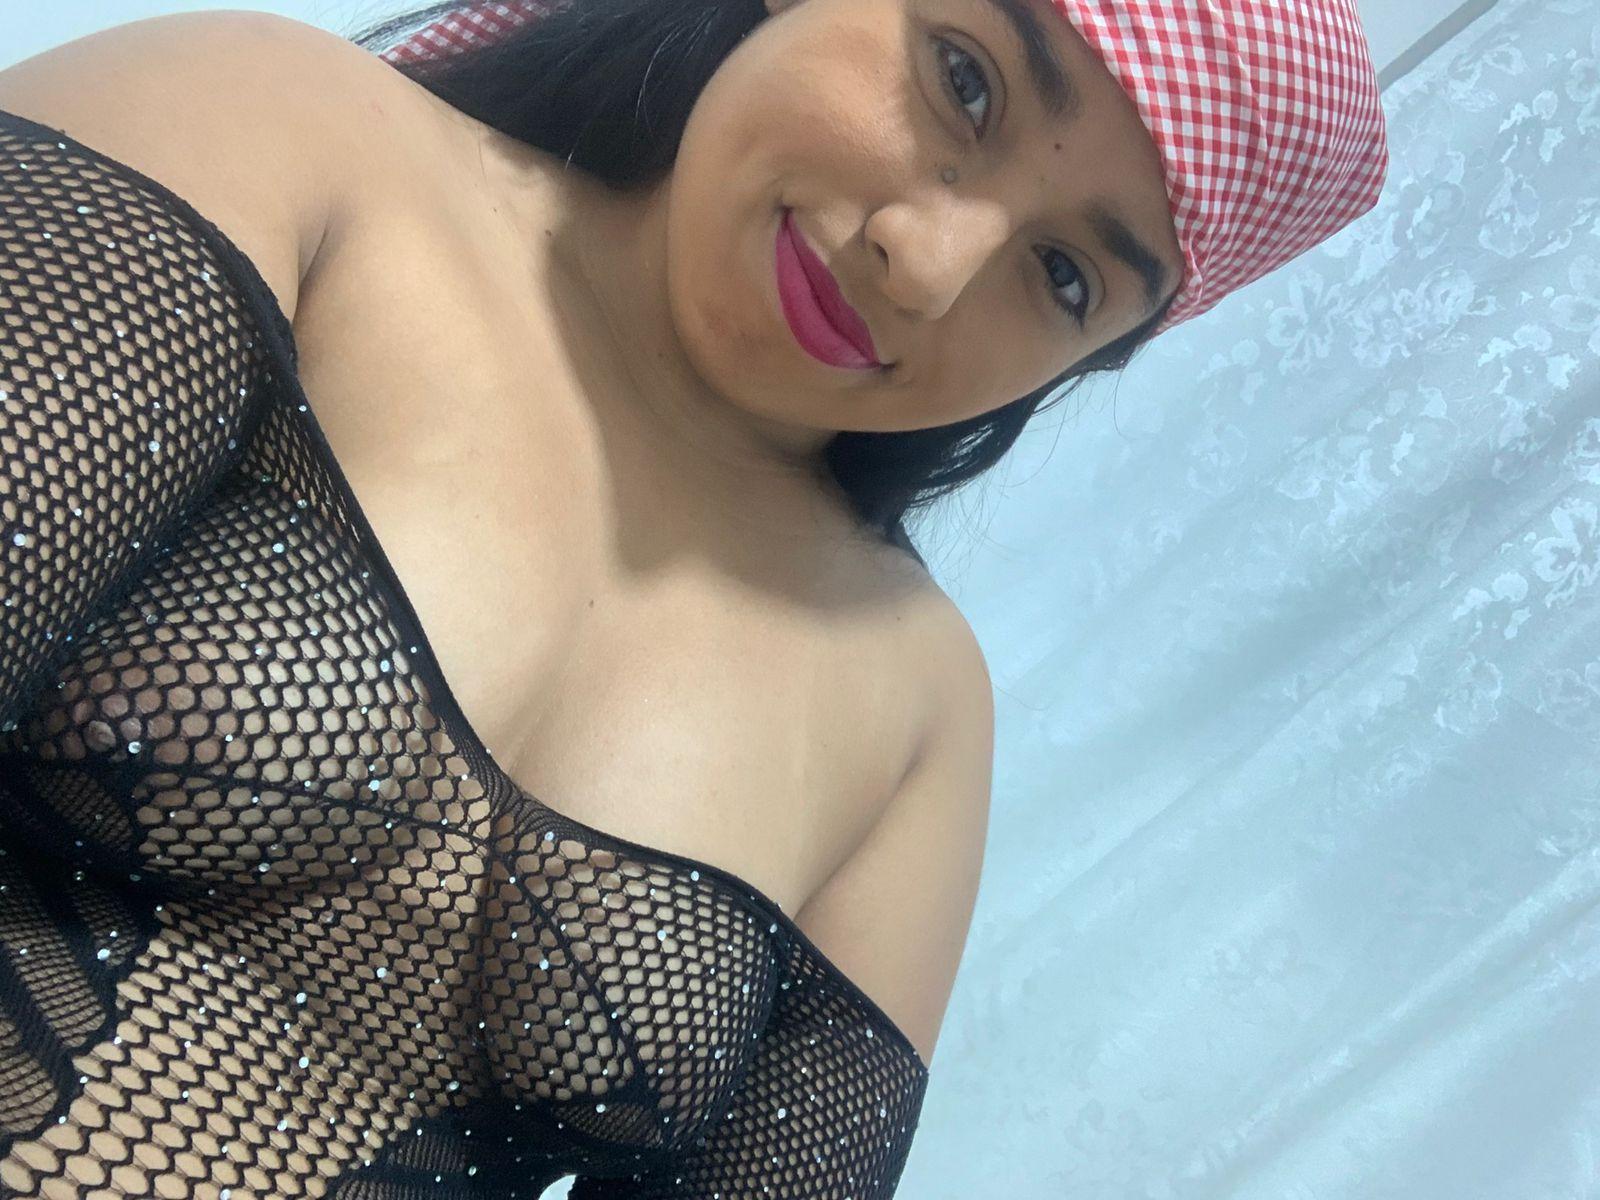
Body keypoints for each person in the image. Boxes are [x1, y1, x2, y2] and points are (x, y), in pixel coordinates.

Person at [0, 0, 1386, 1195]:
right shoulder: (295, 145)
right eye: (965, 82)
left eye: (1066, 276)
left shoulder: (918, 709)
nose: (927, 259)